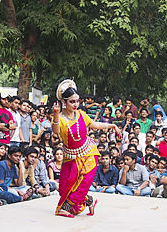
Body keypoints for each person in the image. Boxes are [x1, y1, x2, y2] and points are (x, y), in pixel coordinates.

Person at [51, 80, 121, 217]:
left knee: (82, 184)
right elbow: (55, 131)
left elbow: (94, 124)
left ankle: (65, 208)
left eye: (77, 101)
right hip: (70, 156)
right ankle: (89, 201)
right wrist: (55, 114)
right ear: (64, 102)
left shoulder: (82, 114)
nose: (76, 104)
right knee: (65, 187)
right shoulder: (59, 117)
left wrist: (112, 126)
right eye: (72, 102)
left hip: (88, 153)